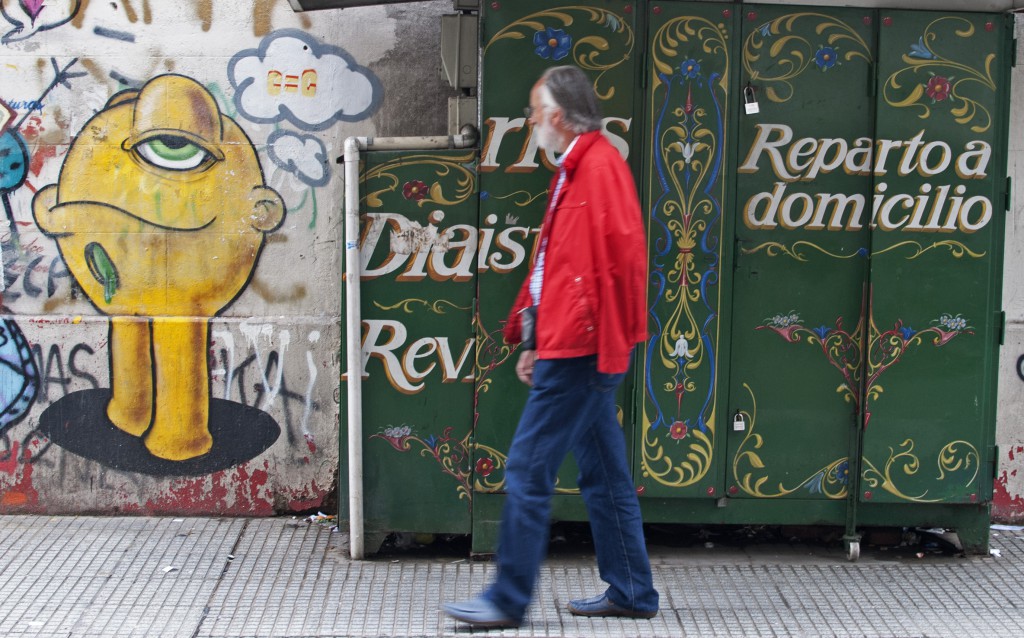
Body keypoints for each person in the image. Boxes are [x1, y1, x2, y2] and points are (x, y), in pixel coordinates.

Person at [442, 65, 659, 629]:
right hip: (575, 346)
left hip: (583, 353)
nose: (532, 121)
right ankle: (633, 591)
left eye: (536, 111)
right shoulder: (581, 167)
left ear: (558, 117)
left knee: (527, 468)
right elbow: (554, 269)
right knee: (605, 475)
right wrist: (535, 336)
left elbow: (621, 265)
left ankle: (507, 599)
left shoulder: (598, 168)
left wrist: (588, 348)